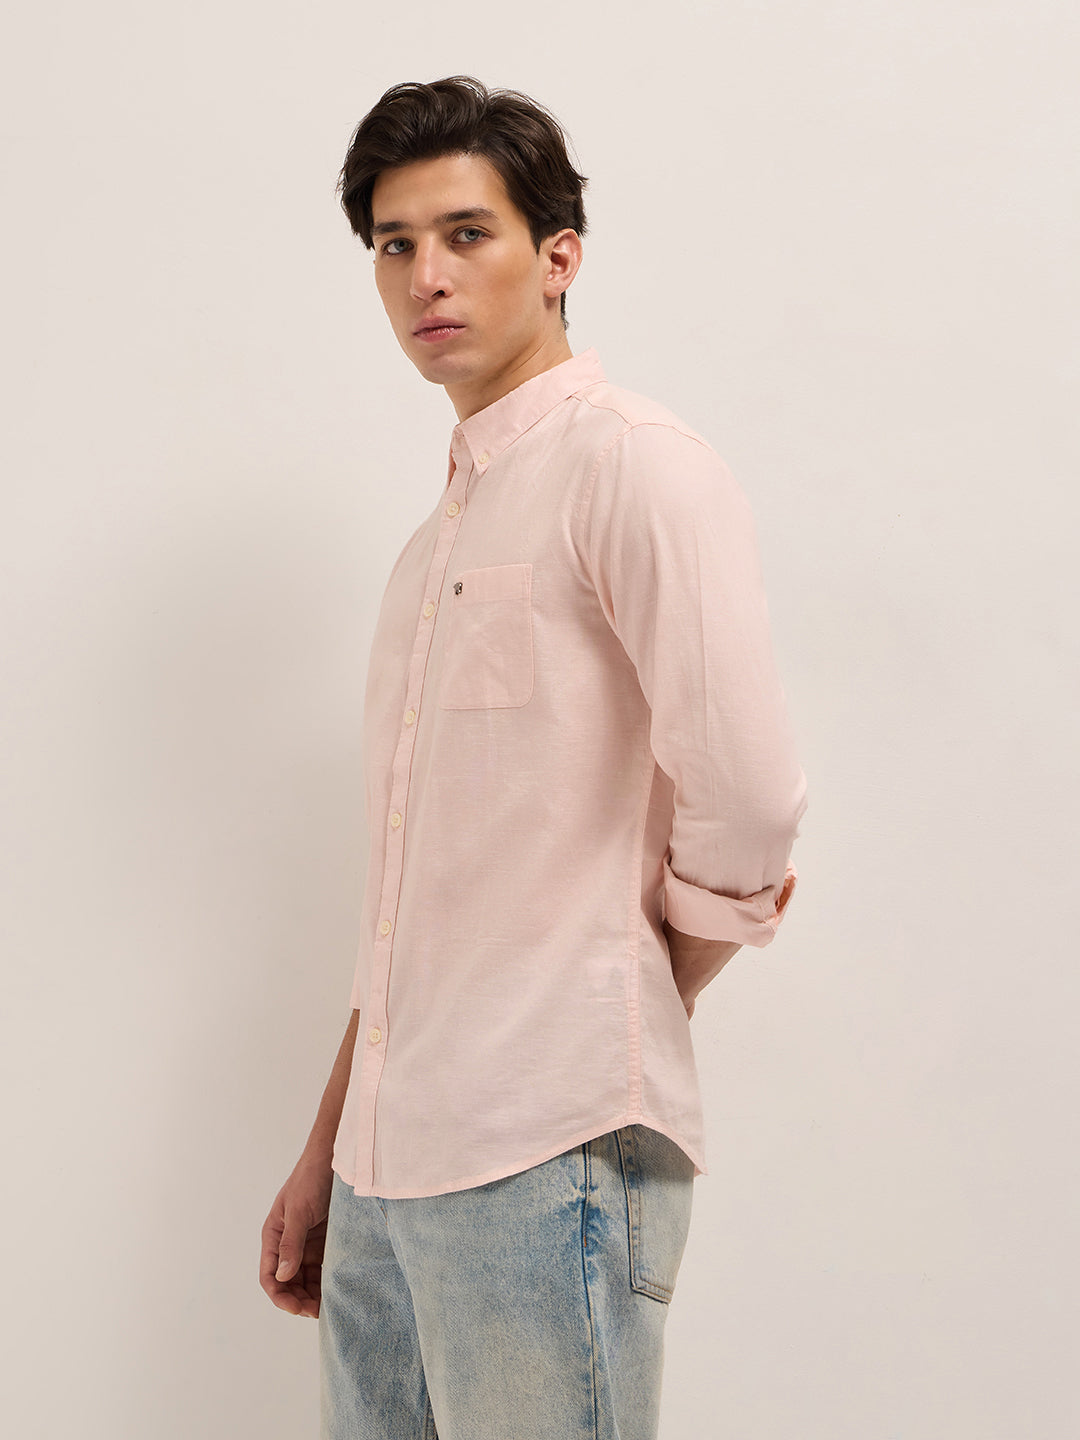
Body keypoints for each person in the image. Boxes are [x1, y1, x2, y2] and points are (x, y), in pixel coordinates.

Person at [259, 74, 808, 1440]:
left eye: (467, 234)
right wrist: (330, 1150)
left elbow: (749, 801)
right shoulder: (429, 552)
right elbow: (415, 901)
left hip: (546, 1144)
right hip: (386, 1170)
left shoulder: (636, 468)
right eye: (395, 245)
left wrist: (627, 987)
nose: (426, 278)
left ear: (559, 256)